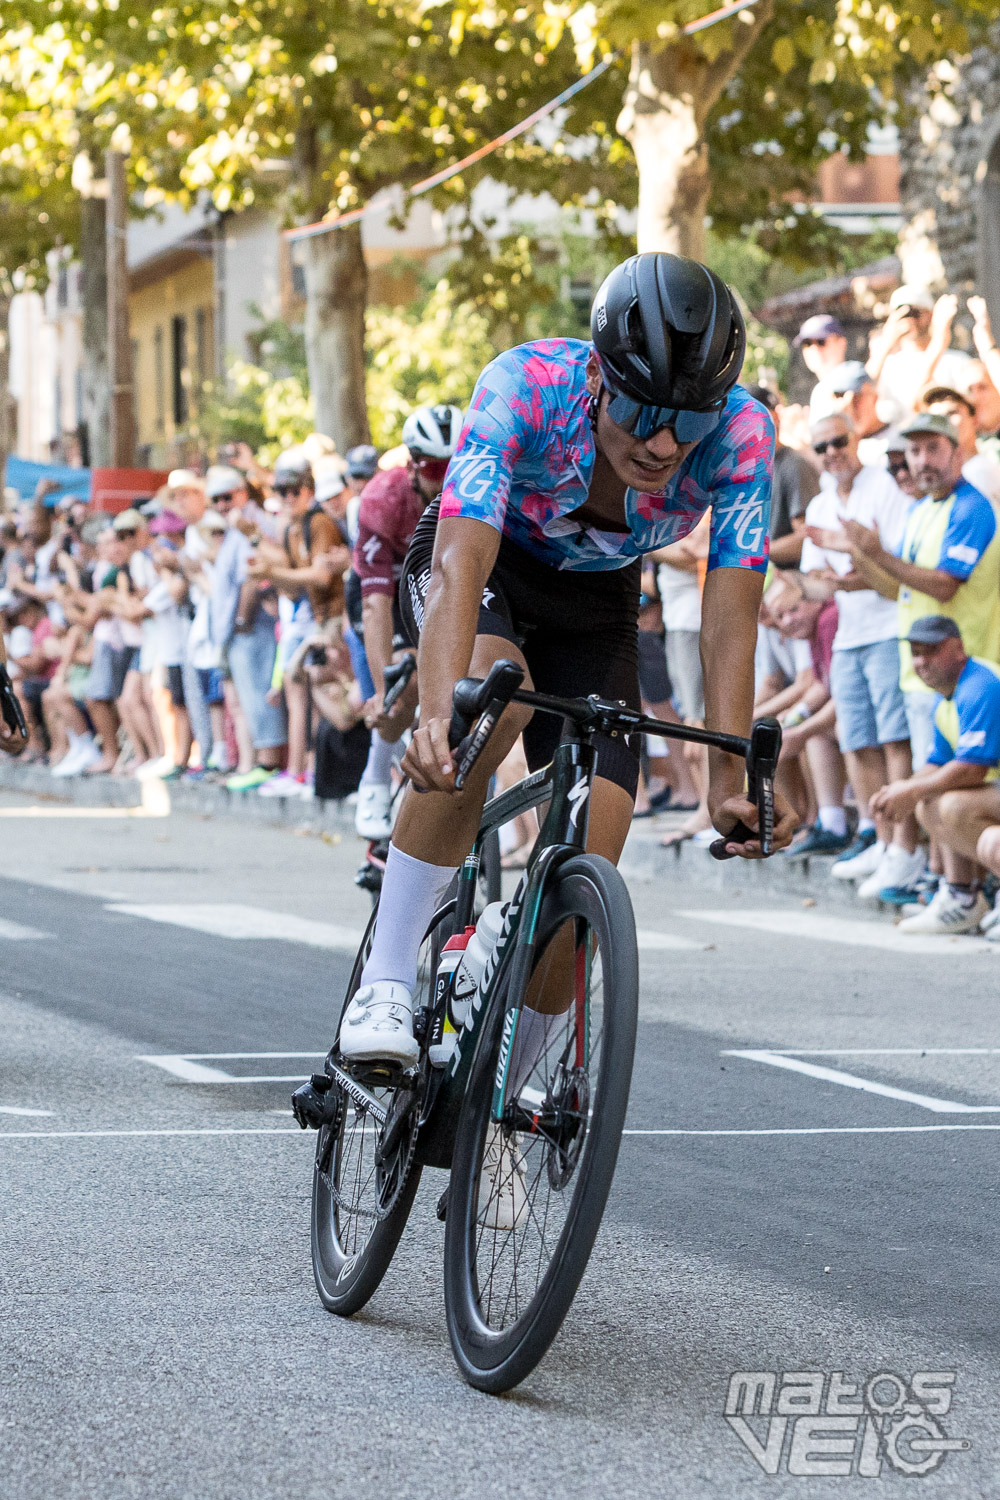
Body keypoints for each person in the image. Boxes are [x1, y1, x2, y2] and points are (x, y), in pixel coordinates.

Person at [338, 251, 796, 1066]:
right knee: (489, 711)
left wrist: (730, 778)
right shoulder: (527, 385)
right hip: (485, 567)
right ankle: (387, 977)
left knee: (598, 839)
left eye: (688, 420)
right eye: (643, 413)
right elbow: (457, 564)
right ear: (598, 384)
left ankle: (516, 1089)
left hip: (597, 601)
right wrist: (439, 710)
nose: (663, 444)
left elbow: (732, 618)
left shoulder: (743, 436)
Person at [799, 411, 921, 893]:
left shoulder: (884, 487)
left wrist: (850, 559)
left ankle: (904, 849)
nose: (832, 453)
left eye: (839, 441)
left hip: (890, 630)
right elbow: (812, 582)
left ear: (855, 441)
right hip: (849, 635)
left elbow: (894, 576)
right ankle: (880, 838)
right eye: (823, 446)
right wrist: (828, 580)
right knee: (857, 742)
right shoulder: (819, 505)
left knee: (895, 742)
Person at [838, 411, 1000, 771]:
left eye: (933, 449)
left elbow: (944, 586)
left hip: (966, 673)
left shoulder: (971, 508)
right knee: (927, 796)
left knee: (950, 796)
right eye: (914, 451)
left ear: (957, 454)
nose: (922, 460)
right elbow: (902, 590)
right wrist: (861, 557)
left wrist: (878, 552)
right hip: (924, 673)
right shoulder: (920, 510)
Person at [351, 404, 463, 839]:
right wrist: (383, 689)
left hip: (441, 579)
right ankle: (376, 780)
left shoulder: (482, 485)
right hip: (391, 589)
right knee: (403, 687)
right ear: (415, 466)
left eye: (458, 463)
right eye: (437, 467)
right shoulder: (381, 501)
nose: (448, 475)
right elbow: (376, 605)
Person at [871, 616, 1000, 935]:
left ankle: (981, 891)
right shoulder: (946, 697)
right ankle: (961, 899)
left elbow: (972, 768)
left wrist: (912, 790)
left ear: (957, 648)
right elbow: (939, 762)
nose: (921, 661)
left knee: (954, 804)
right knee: (928, 801)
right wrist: (900, 789)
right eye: (916, 652)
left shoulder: (980, 685)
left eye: (931, 651)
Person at [867, 287, 973, 421]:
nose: (910, 320)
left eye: (915, 313)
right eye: (902, 314)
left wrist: (940, 338)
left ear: (930, 314)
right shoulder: (888, 365)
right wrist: (886, 343)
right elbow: (861, 389)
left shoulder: (958, 361)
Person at [747, 384, 818, 566]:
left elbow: (809, 538)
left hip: (791, 577)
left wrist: (748, 556)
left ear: (775, 417)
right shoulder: (745, 468)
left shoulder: (793, 465)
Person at [920, 381, 1000, 507]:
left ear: (974, 419)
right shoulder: (938, 483)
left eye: (951, 413)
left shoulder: (981, 470)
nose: (943, 425)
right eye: (936, 419)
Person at [793, 316, 849, 418]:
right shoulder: (819, 392)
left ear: (842, 343)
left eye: (821, 341)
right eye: (807, 343)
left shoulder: (854, 380)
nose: (814, 348)